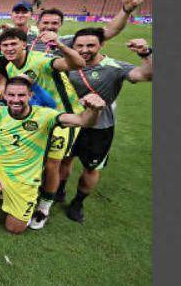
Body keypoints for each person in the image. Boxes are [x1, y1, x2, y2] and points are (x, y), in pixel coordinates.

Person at [0, 78, 106, 240]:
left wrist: (94, 110)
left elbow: (83, 121)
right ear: (5, 96)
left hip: (25, 181)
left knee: (14, 228)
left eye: (21, 95)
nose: (16, 99)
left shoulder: (45, 115)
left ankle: (24, 202)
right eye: (11, 95)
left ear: (30, 95)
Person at [59, 30, 153, 222]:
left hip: (99, 128)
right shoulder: (67, 63)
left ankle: (78, 202)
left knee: (91, 168)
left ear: (101, 45)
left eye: (90, 45)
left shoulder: (114, 66)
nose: (84, 50)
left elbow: (146, 75)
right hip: (70, 122)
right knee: (64, 160)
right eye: (79, 46)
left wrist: (146, 53)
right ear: (73, 46)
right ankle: (59, 190)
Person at [0, 27, 86, 230]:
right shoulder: (10, 68)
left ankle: (44, 207)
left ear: (24, 44)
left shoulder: (40, 60)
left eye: (14, 44)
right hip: (37, 120)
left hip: (63, 119)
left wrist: (60, 44)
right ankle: (32, 193)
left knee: (52, 164)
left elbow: (78, 63)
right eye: (5, 45)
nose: (9, 48)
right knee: (35, 159)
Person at [30, 0, 143, 54]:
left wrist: (125, 11)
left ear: (60, 24)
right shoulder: (26, 39)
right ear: (37, 24)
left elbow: (110, 31)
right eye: (45, 23)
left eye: (55, 23)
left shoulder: (69, 41)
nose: (50, 26)